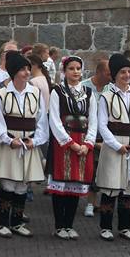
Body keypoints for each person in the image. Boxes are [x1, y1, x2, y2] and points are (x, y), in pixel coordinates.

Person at [0, 51, 49, 238]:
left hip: (28, 144)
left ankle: (16, 222)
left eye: (28, 69)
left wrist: (36, 140)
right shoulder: (2, 94)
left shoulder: (35, 93)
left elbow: (42, 121)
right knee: (8, 183)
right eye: (22, 69)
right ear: (13, 72)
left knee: (23, 184)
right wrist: (8, 140)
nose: (27, 72)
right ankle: (2, 223)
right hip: (11, 144)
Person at [95, 53, 130, 241]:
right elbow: (102, 125)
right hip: (114, 147)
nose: (127, 75)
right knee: (111, 186)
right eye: (122, 72)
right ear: (115, 75)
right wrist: (116, 145)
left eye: (129, 71)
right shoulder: (106, 97)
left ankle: (125, 227)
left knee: (128, 187)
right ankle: (105, 227)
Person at [47, 56, 98, 239]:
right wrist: (70, 143)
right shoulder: (57, 91)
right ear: (64, 71)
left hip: (83, 142)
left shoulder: (88, 93)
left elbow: (93, 120)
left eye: (78, 68)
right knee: (61, 185)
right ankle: (59, 225)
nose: (76, 72)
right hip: (64, 143)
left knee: (75, 184)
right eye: (71, 68)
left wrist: (88, 143)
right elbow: (54, 120)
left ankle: (69, 224)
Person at [79, 57, 111, 217]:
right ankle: (90, 203)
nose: (111, 76)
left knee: (103, 169)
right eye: (108, 73)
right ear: (99, 72)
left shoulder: (111, 89)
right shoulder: (84, 87)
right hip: (88, 134)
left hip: (106, 135)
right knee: (91, 169)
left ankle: (99, 202)